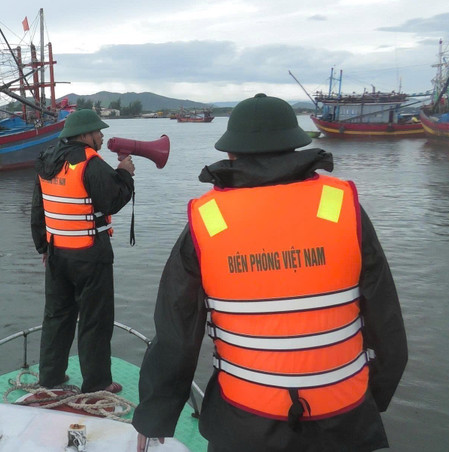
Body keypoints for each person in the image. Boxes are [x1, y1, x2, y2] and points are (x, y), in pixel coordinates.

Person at [133, 93, 407, 451]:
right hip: (345, 420)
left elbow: (177, 333)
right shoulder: (342, 208)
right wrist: (371, 402)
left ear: (231, 153)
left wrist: (156, 415)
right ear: (296, 146)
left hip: (245, 424)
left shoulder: (208, 221)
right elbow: (386, 324)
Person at [30, 109, 135, 393]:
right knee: (95, 321)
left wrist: (42, 246)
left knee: (56, 317)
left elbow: (38, 208)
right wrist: (124, 174)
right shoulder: (91, 163)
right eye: (98, 131)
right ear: (86, 134)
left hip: (56, 254)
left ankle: (50, 377)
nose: (102, 136)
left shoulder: (47, 159)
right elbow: (112, 201)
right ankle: (98, 383)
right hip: (90, 255)